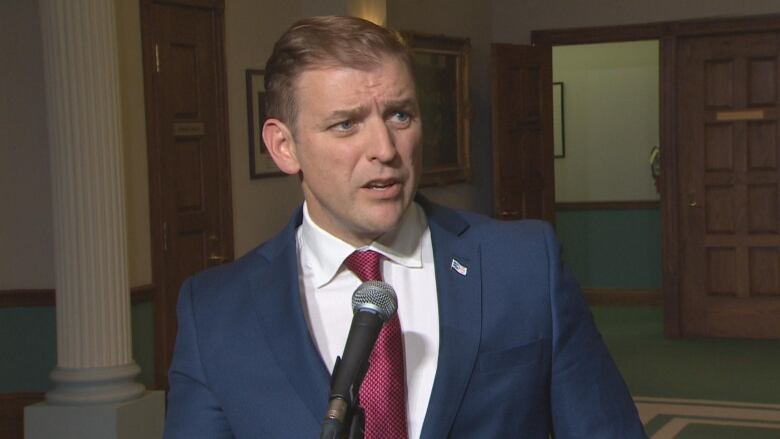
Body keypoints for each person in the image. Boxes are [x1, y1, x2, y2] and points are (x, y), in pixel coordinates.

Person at [163, 15, 646, 439]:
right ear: (284, 146)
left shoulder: (521, 265)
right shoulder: (215, 314)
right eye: (346, 125)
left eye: (400, 115)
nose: (386, 149)